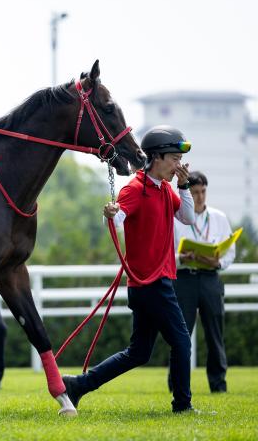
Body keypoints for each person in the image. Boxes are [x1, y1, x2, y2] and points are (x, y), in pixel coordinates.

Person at [62, 125, 197, 413]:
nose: (178, 165)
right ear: (157, 157)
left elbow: (187, 218)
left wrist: (183, 187)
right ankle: (183, 406)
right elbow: (117, 217)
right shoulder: (135, 189)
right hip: (151, 284)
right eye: (173, 159)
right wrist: (111, 213)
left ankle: (78, 386)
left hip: (149, 285)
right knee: (182, 343)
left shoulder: (164, 189)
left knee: (138, 353)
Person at [169, 171, 235, 393]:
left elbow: (230, 252)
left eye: (202, 191)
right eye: (195, 192)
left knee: (215, 333)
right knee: (181, 334)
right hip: (184, 278)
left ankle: (218, 385)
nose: (199, 197)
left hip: (210, 279)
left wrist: (217, 262)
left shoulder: (218, 217)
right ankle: (177, 383)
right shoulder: (178, 218)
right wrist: (182, 259)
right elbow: (167, 253)